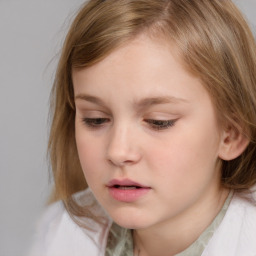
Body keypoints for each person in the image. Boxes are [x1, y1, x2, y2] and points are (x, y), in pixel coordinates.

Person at [29, 0, 256, 255]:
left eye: (159, 122)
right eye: (96, 119)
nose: (118, 151)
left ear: (232, 135)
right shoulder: (58, 232)